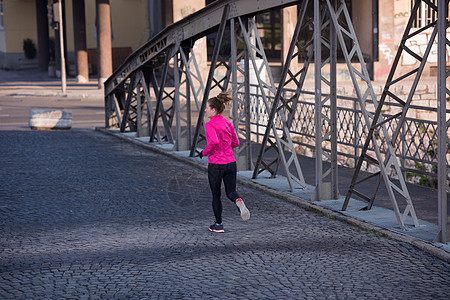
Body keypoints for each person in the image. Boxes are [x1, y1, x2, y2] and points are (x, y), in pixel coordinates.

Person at [199, 91, 250, 233]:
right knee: (231, 192)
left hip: (216, 164)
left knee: (216, 195)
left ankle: (218, 225)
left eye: (207, 108)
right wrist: (226, 147)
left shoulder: (210, 125)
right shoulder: (228, 123)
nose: (205, 110)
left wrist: (203, 152)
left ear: (213, 110)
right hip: (231, 163)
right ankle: (239, 201)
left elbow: (214, 142)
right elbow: (236, 142)